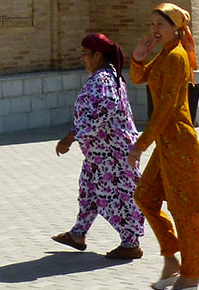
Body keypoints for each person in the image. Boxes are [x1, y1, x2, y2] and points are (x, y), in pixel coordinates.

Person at [128, 3, 199, 290]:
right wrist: (138, 59)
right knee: (145, 196)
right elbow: (138, 79)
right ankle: (172, 260)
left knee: (186, 210)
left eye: (161, 24)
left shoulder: (177, 56)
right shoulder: (166, 54)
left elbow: (167, 107)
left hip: (179, 142)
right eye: (152, 23)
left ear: (176, 28)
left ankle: (191, 275)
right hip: (166, 143)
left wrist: (140, 144)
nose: (154, 29)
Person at [51, 33, 146, 260]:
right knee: (89, 190)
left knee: (114, 196)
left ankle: (131, 242)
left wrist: (73, 135)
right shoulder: (106, 76)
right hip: (100, 153)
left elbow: (106, 111)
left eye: (85, 54)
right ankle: (78, 234)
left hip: (112, 153)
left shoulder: (103, 79)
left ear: (98, 54)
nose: (83, 59)